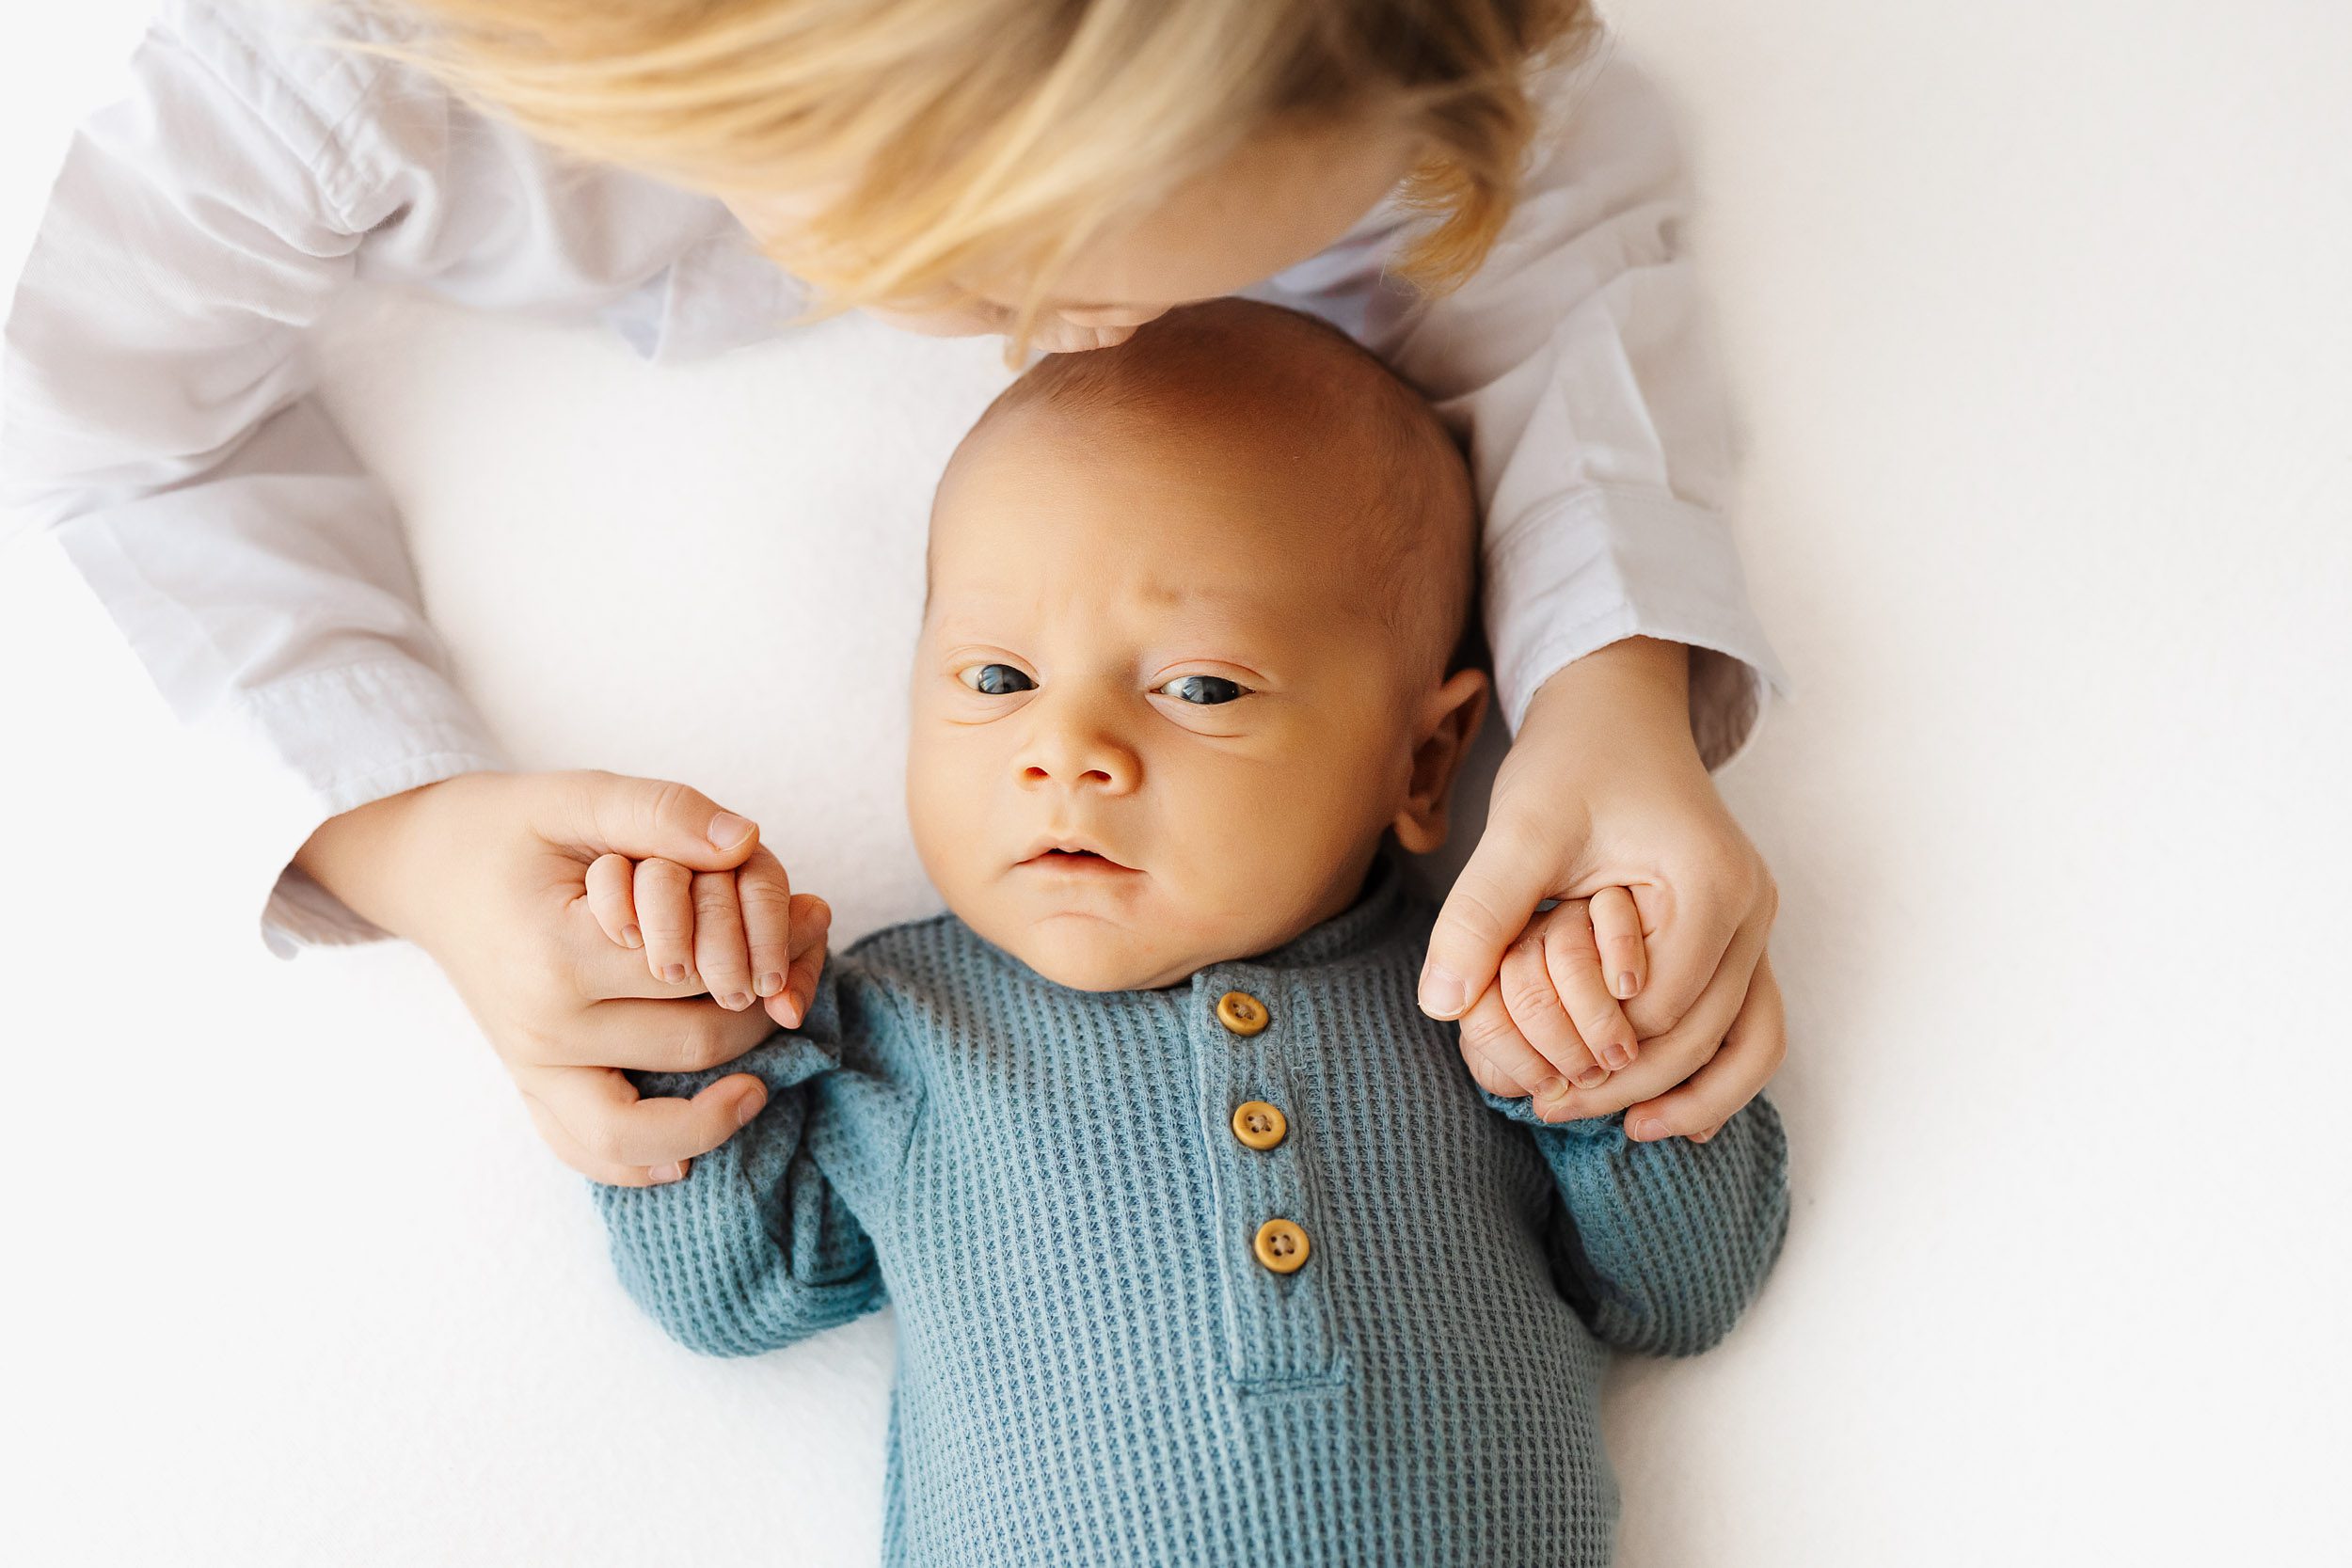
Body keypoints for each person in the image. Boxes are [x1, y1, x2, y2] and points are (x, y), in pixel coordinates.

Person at [0, 0, 1787, 1187]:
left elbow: (1539, 201)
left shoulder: (1367, 41)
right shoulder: (324, 69)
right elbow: (97, 432)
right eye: (1013, 285)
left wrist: (1614, 689)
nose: (1098, 341)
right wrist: (400, 832)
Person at [587, 299, 1789, 1565]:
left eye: (1200, 687)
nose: (1067, 750)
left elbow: (1688, 1290)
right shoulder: (897, 1025)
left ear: (1427, 758)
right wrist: (692, 1012)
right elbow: (730, 1293)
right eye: (997, 680)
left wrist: (1600, 1058)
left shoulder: (1481, 994)